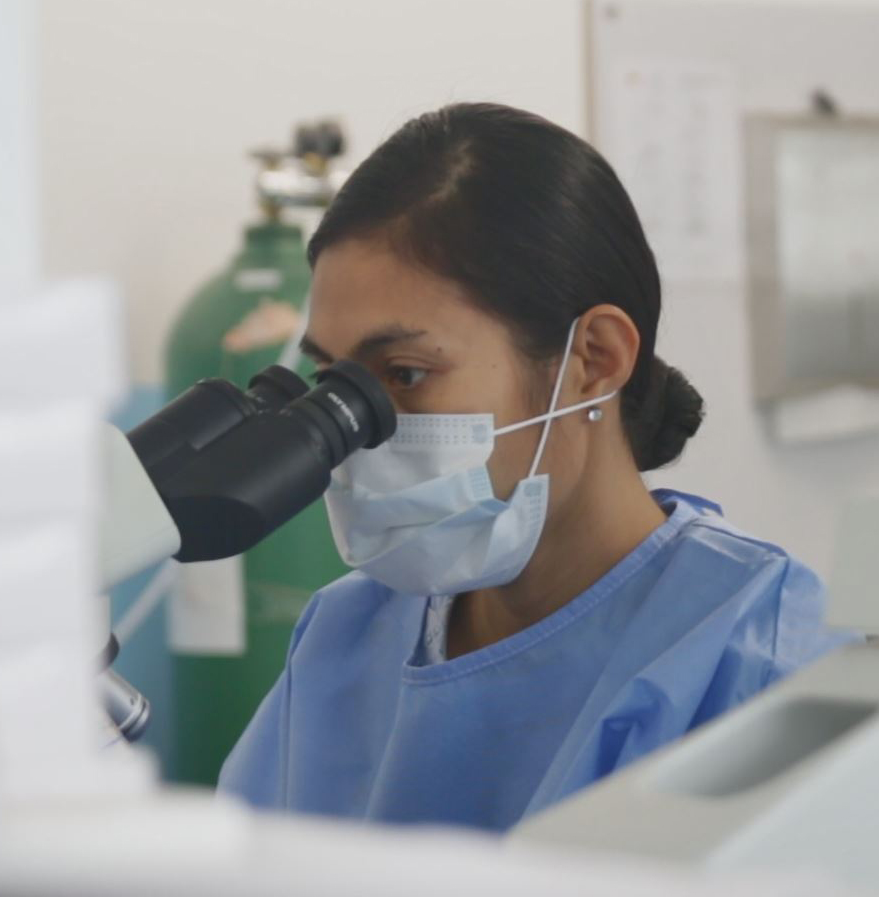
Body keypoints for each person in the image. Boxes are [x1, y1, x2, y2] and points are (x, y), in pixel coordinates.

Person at [218, 102, 850, 832]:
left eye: (405, 373)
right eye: (333, 380)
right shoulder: (347, 633)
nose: (356, 426)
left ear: (593, 360)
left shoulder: (762, 660)